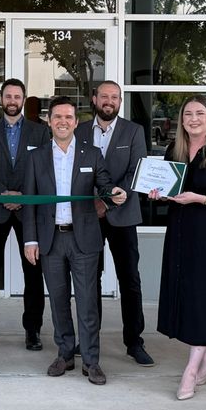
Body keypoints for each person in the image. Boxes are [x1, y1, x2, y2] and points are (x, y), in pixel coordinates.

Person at [23, 96, 127, 385]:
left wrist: (115, 194)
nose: (63, 122)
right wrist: (30, 240)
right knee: (57, 301)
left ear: (76, 121)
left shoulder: (91, 154)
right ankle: (65, 353)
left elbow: (104, 186)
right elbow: (30, 202)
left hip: (84, 240)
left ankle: (91, 361)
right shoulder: (36, 156)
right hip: (50, 241)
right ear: (48, 120)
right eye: (57, 117)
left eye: (68, 117)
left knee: (86, 303)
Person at [148, 95, 206, 400]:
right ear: (182, 121)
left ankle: (191, 370)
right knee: (192, 300)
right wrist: (158, 194)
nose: (193, 119)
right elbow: (168, 190)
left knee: (204, 299)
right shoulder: (173, 150)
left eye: (199, 113)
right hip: (179, 235)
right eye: (187, 114)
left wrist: (199, 199)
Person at [76, 81, 154, 366]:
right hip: (87, 218)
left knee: (129, 281)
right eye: (104, 96)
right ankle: (88, 337)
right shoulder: (80, 130)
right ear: (94, 99)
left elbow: (137, 172)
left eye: (114, 97)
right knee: (88, 281)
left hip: (123, 217)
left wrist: (106, 202)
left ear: (120, 102)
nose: (109, 101)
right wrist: (92, 204)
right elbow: (75, 172)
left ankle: (134, 341)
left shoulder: (134, 131)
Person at [0, 78, 50, 351]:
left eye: (17, 97)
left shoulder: (40, 132)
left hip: (28, 212)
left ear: (24, 99)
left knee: (33, 273)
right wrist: (2, 193)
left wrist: (21, 195)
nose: (12, 101)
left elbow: (43, 168)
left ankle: (33, 331)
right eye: (8, 96)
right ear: (1, 99)